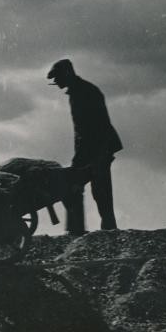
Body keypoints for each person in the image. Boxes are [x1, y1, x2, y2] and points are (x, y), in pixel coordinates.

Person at [47, 58, 122, 234]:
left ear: (67, 74)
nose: (56, 82)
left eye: (58, 78)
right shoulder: (81, 91)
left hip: (98, 149)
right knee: (97, 190)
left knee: (95, 189)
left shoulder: (83, 93)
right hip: (95, 149)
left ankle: (89, 230)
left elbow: (86, 130)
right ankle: (101, 229)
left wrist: (79, 159)